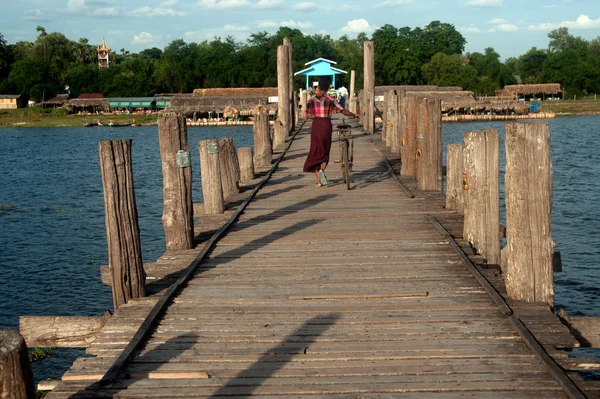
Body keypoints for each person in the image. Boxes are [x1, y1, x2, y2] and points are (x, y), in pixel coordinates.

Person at [303, 77, 359, 187]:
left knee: (315, 151)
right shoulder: (331, 100)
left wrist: (314, 116)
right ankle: (322, 170)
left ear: (319, 86)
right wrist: (354, 114)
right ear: (328, 87)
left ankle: (319, 181)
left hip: (316, 125)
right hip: (326, 125)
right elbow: (343, 111)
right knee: (325, 151)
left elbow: (307, 116)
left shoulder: (312, 100)